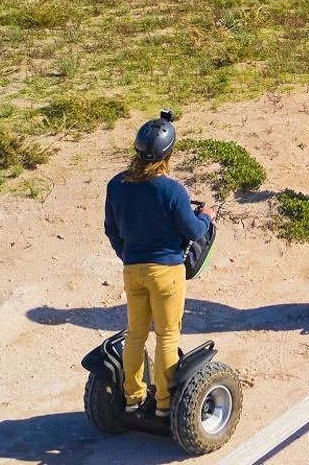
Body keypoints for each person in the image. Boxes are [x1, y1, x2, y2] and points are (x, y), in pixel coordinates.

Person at [103, 113, 212, 419]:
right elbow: (193, 231)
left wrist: (127, 255)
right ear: (169, 153)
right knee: (166, 336)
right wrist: (207, 216)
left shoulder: (116, 185)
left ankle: (133, 398)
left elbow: (111, 229)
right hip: (166, 271)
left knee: (135, 336)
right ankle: (165, 404)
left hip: (133, 269)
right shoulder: (172, 190)